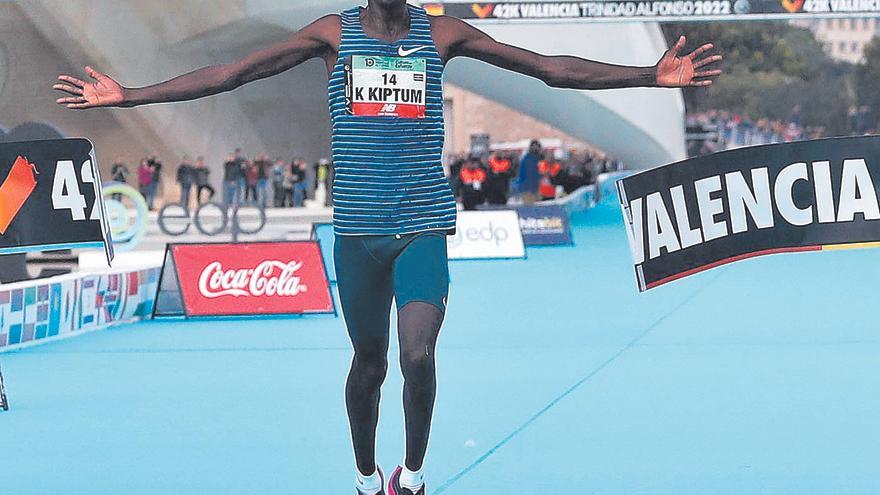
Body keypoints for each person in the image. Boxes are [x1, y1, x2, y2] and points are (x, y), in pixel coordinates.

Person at [52, 3, 721, 492]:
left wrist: (649, 75)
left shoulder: (444, 33)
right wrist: (130, 94)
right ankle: (367, 475)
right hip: (358, 234)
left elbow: (548, 67)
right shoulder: (331, 35)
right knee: (368, 365)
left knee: (418, 354)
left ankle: (416, 473)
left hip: (423, 224)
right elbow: (231, 73)